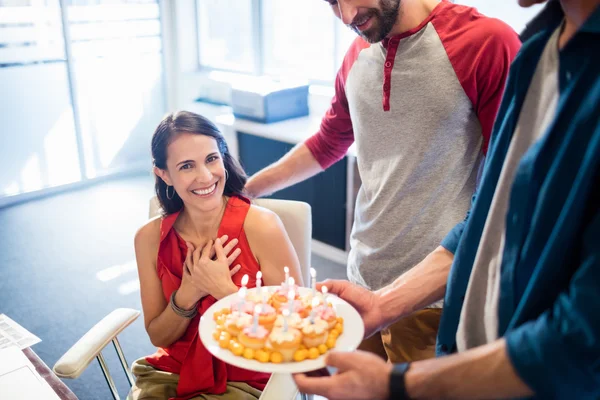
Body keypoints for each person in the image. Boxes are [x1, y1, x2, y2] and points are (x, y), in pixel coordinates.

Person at [293, 0, 600, 398]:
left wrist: (402, 385)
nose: (348, 15)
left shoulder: (492, 43)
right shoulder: (538, 51)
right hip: (451, 327)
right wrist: (383, 305)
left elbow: (583, 334)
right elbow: (489, 217)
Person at [245, 0, 521, 363]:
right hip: (360, 282)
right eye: (331, 2)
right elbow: (328, 142)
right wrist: (248, 189)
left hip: (435, 299)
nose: (345, 16)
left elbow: (510, 185)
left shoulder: (487, 43)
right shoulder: (357, 53)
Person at [130, 111, 303, 400]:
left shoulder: (262, 226)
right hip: (171, 373)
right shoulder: (147, 239)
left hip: (246, 377)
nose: (206, 176)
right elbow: (159, 337)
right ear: (164, 174)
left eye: (211, 159)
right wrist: (189, 292)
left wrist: (225, 292)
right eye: (187, 166)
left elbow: (296, 333)